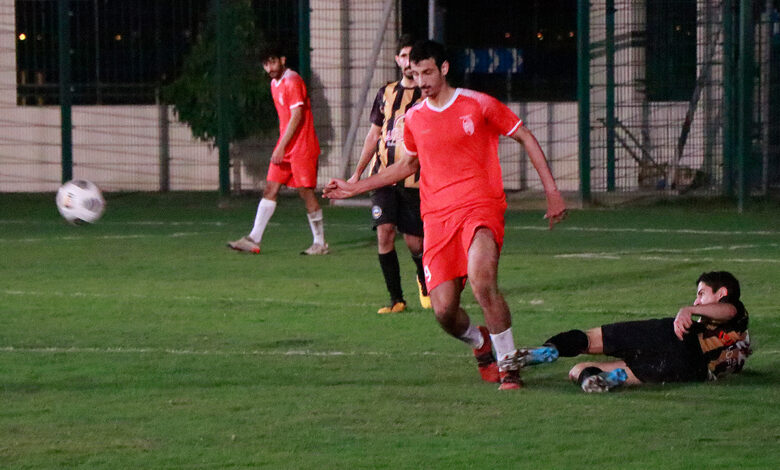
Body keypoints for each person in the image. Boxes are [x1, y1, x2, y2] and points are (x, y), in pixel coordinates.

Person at [324, 40, 567, 390]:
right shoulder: (414, 118)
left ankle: (510, 367)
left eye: (427, 72)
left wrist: (553, 191)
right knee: (444, 313)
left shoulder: (478, 104)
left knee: (483, 282)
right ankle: (480, 342)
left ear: (444, 69)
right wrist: (353, 186)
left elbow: (525, 136)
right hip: (437, 219)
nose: (421, 80)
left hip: (481, 208)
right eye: (415, 73)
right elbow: (406, 165)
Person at [523, 271, 752, 393]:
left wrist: (688, 309)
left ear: (721, 292)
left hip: (670, 338)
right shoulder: (737, 341)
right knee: (577, 370)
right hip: (685, 368)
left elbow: (728, 310)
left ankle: (551, 348)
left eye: (701, 293)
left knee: (591, 339)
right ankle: (594, 380)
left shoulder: (734, 311)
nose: (697, 299)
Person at [348, 34, 430, 314]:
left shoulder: (425, 95)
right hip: (383, 177)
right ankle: (396, 299)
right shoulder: (385, 93)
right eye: (404, 57)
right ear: (398, 60)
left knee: (414, 242)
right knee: (384, 233)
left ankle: (423, 277)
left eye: (413, 58)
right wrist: (357, 173)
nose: (408, 63)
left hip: (413, 180)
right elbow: (373, 135)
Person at [228, 45, 328, 256]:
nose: (269, 67)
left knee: (305, 192)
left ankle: (320, 243)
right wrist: (282, 145)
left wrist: (281, 146)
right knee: (270, 189)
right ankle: (254, 239)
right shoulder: (275, 84)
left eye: (272, 62)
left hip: (301, 147)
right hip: (286, 146)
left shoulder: (293, 81)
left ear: (283, 59)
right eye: (265, 64)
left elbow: (297, 116)